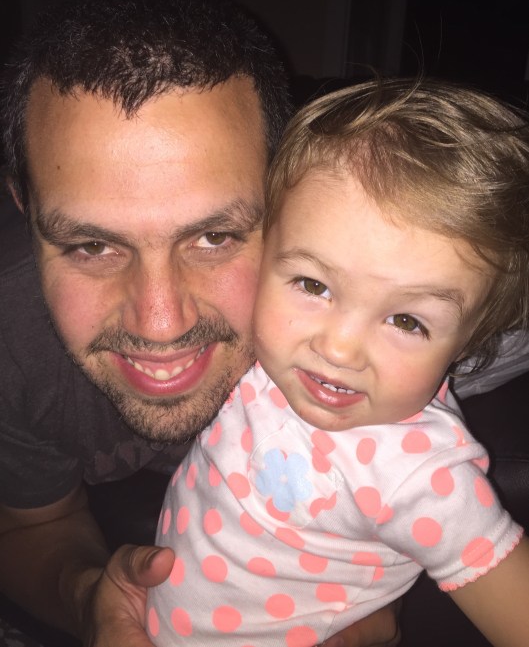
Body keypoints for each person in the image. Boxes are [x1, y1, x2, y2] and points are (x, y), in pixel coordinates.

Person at [0, 0, 402, 647]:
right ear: (26, 208)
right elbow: (34, 521)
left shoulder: (374, 322)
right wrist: (90, 599)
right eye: (92, 246)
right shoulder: (10, 337)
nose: (161, 325)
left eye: (214, 237)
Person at [146, 78, 529, 647]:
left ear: (468, 345)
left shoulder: (422, 477)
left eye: (407, 321)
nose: (340, 349)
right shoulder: (258, 347)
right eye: (313, 285)